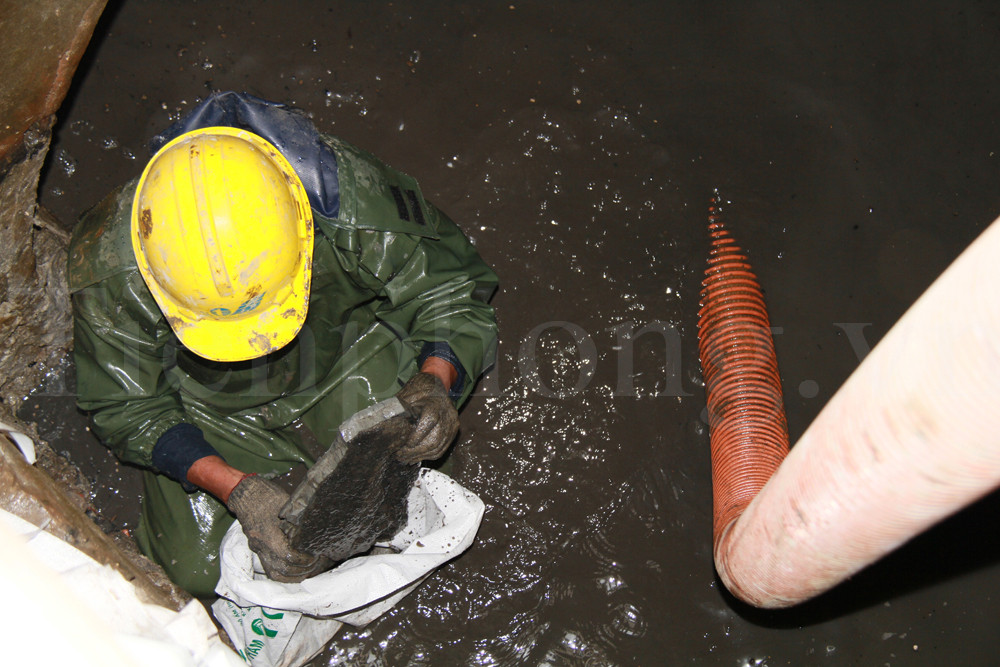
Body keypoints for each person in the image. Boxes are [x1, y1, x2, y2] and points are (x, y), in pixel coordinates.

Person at [67, 92, 499, 597]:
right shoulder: (110, 268)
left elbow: (448, 289)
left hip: (348, 355)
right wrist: (236, 489)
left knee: (418, 456)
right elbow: (124, 405)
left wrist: (436, 381)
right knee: (198, 571)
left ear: (302, 229)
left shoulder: (351, 205)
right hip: (212, 407)